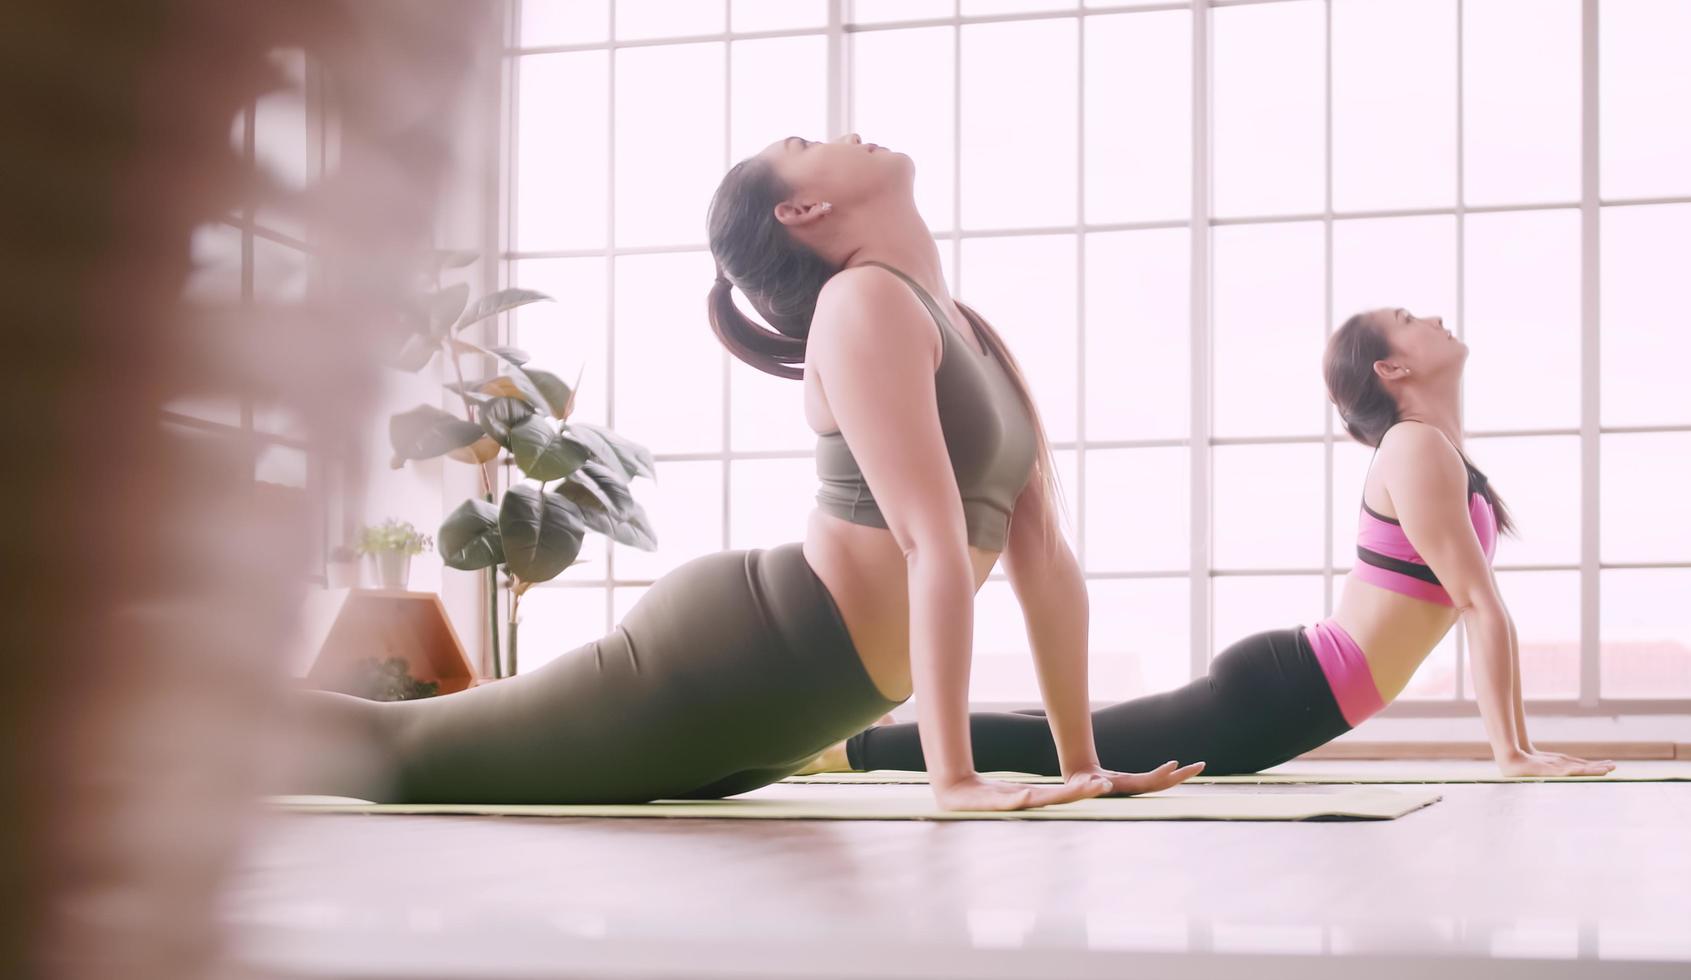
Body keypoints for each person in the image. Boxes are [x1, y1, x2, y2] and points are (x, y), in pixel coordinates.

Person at [287, 133, 1200, 811]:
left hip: (795, 702)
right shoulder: (864, 301)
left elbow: (1043, 560)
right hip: (739, 655)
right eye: (805, 146)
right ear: (799, 212)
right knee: (399, 756)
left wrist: (1083, 764)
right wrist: (953, 779)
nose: (842, 135)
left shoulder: (962, 327)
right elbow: (930, 541)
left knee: (455, 766)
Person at [818, 307, 1617, 779]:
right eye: (1410, 320)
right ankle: (845, 752)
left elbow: (1479, 606)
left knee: (1087, 736)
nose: (1434, 318)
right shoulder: (1414, 449)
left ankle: (859, 742)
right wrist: (1514, 751)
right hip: (1284, 690)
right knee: (1072, 751)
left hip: (1299, 687)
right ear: (1393, 367)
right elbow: (1480, 605)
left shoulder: (1434, 452)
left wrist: (1519, 748)